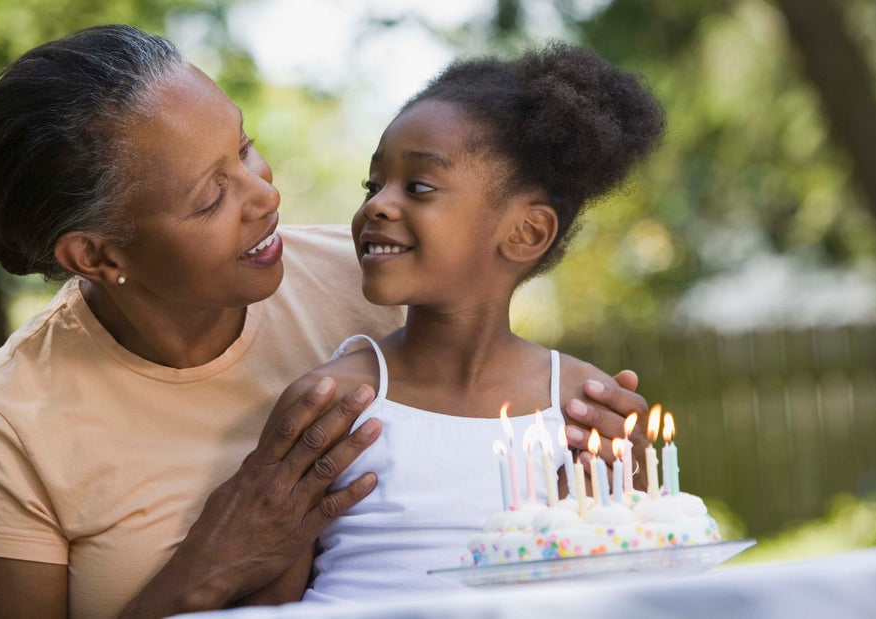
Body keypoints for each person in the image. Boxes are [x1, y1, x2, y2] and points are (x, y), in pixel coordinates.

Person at [0, 25, 647, 618]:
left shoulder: (378, 275)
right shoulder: (9, 418)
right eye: (211, 196)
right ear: (96, 253)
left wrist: (596, 482)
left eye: (242, 148)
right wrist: (203, 573)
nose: (262, 194)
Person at [252, 42, 664, 603]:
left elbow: (626, 593)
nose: (378, 205)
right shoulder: (333, 401)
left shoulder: (582, 408)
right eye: (373, 186)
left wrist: (629, 491)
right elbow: (271, 605)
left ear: (526, 233)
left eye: (418, 186)